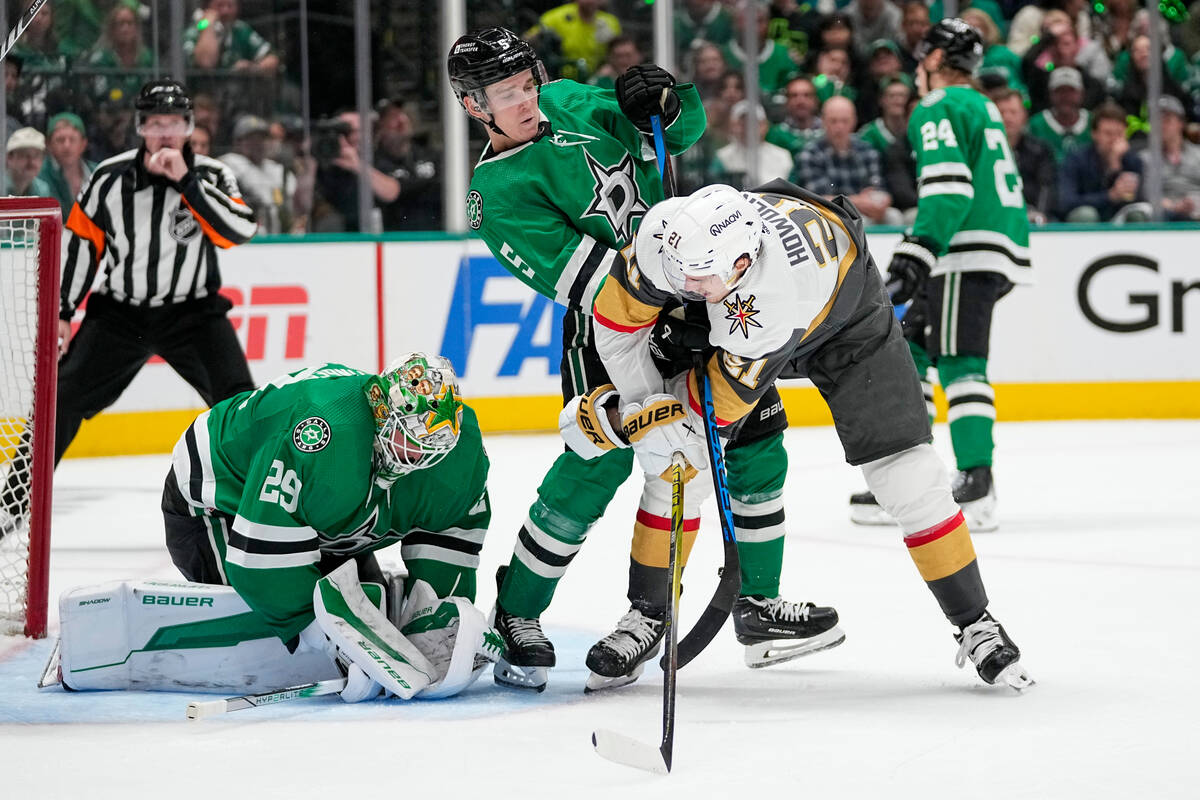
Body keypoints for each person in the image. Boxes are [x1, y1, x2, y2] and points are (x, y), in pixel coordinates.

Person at [448, 27, 841, 693]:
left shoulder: (568, 100)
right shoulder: (497, 195)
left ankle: (753, 605)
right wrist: (680, 291)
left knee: (756, 436)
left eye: (528, 83)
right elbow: (595, 284)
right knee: (598, 465)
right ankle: (516, 611)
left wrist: (664, 96)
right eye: (507, 93)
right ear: (474, 106)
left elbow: (678, 133)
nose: (527, 101)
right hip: (613, 331)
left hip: (698, 297)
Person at [584, 180, 1033, 691]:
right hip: (754, 305)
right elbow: (616, 327)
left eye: (700, 281)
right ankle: (647, 615)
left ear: (741, 265)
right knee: (675, 468)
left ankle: (976, 622)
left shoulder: (767, 307)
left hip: (848, 316)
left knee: (908, 476)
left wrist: (666, 427)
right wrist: (649, 406)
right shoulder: (669, 239)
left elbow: (705, 421)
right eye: (682, 277)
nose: (687, 287)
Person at [159, 354, 501, 702]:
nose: (418, 456)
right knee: (270, 634)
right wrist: (323, 636)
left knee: (367, 622)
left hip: (325, 523)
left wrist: (428, 612)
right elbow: (259, 558)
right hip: (218, 506)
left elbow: (452, 532)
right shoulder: (321, 430)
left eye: (428, 445)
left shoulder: (458, 449)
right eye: (408, 437)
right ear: (381, 411)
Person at [0, 78, 257, 539]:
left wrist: (186, 181)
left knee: (240, 405)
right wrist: (62, 310)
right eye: (155, 124)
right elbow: (84, 245)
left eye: (174, 123)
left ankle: (260, 508)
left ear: (188, 128)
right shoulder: (110, 178)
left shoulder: (212, 175)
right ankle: (11, 505)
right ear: (140, 127)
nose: (164, 134)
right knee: (62, 399)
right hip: (121, 315)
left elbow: (238, 231)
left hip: (192, 314)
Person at [848, 19, 1032, 532]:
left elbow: (951, 190)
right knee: (917, 350)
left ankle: (975, 482)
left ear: (932, 59)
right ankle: (911, 483)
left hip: (963, 249)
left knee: (960, 357)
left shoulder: (937, 106)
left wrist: (918, 251)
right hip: (985, 244)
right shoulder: (982, 105)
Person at [792, 96, 899, 225]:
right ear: (823, 122)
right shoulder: (811, 153)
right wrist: (858, 202)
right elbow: (819, 199)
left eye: (844, 121)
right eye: (833, 121)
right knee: (860, 223)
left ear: (854, 121)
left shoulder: (867, 150)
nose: (839, 127)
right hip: (828, 215)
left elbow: (880, 188)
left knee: (894, 216)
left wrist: (881, 201)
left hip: (867, 210)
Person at [1057, 101, 1149, 223]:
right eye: (1108, 133)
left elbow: (1142, 200)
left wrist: (1115, 165)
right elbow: (1066, 201)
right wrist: (1109, 196)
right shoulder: (1077, 159)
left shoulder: (1133, 161)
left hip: (1120, 219)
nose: (1114, 140)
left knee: (1137, 215)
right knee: (1086, 215)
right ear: (1094, 134)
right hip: (1086, 221)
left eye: (1119, 134)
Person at [311, 110, 400, 232]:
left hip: (370, 232)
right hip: (331, 236)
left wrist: (357, 165)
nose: (351, 137)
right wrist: (312, 158)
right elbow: (303, 205)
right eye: (343, 131)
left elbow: (392, 192)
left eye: (356, 131)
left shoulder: (376, 158)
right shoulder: (323, 158)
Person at [219, 114, 295, 234]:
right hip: (242, 238)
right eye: (251, 138)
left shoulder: (275, 169)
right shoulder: (229, 163)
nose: (258, 143)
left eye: (262, 138)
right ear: (237, 142)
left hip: (276, 238)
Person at [990, 87, 1057, 223]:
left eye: (1013, 112)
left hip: (1034, 218)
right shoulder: (982, 150)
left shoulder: (1040, 150)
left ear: (1024, 116)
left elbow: (1046, 186)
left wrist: (1040, 213)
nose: (1007, 117)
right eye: (1002, 112)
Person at [374, 99, 442, 231]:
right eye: (393, 117)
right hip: (395, 238)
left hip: (437, 235)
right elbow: (390, 194)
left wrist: (402, 187)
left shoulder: (429, 154)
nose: (402, 120)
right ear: (380, 126)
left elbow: (446, 189)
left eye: (404, 114)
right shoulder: (375, 161)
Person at [527, 1, 622, 83]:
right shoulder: (556, 17)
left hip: (595, 79)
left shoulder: (610, 22)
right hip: (560, 78)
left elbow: (619, 53)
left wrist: (610, 67)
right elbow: (528, 40)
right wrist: (543, 36)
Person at [83, 2, 154, 109]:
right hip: (108, 114)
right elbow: (98, 95)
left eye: (130, 23)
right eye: (120, 24)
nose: (125, 29)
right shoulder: (101, 59)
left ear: (136, 28)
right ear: (112, 29)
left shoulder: (147, 57)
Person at [710, 100, 794, 188]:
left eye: (754, 122)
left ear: (765, 126)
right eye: (742, 123)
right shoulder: (723, 157)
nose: (748, 127)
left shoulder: (783, 156)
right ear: (733, 126)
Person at [184, 0, 280, 74]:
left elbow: (272, 59)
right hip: (200, 92)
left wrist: (252, 68)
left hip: (237, 93)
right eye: (220, 5)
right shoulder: (197, 29)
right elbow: (206, 62)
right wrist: (208, 25)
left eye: (230, 6)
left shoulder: (240, 29)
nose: (226, 11)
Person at [1145, 95, 1200, 221]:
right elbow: (1146, 194)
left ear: (1181, 123)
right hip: (1164, 216)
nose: (1161, 125)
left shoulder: (1198, 154)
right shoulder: (1145, 158)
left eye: (1167, 120)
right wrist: (1173, 206)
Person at [1025, 67, 1092, 164]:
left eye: (1071, 91)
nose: (1065, 97)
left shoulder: (1094, 122)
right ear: (1050, 94)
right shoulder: (1036, 125)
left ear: (1081, 94)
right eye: (1060, 91)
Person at [39, 112, 96, 218]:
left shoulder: (98, 172)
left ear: (83, 144)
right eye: (60, 140)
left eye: (72, 139)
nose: (67, 146)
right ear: (49, 144)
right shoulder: (40, 176)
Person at [766, 75, 823, 156]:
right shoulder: (775, 135)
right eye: (794, 95)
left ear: (815, 100)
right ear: (787, 101)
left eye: (806, 95)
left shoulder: (828, 133)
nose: (800, 101)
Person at [3, 127, 52, 197]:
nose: (31, 162)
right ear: (9, 158)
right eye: (24, 155)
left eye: (36, 155)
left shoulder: (42, 189)